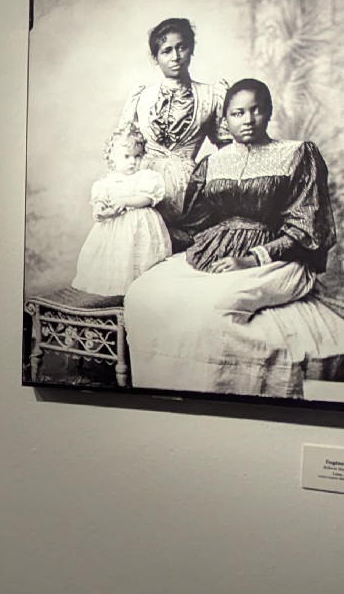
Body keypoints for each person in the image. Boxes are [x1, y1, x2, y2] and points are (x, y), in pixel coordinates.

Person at [124, 78, 344, 396]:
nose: (248, 119)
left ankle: (220, 394)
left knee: (212, 309)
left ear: (269, 112)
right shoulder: (212, 163)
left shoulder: (297, 154)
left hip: (277, 257)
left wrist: (251, 259)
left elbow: (306, 227)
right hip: (212, 251)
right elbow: (195, 226)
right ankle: (169, 396)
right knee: (144, 293)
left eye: (256, 110)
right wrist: (137, 224)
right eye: (238, 113)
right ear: (225, 120)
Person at [111, 16, 229, 219]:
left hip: (189, 190)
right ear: (156, 58)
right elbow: (124, 147)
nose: (175, 57)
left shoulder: (211, 95)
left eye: (181, 47)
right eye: (166, 51)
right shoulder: (141, 97)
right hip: (142, 188)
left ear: (191, 49)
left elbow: (226, 149)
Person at [71, 126, 170, 296]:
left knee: (141, 256)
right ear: (112, 158)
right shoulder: (107, 182)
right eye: (126, 156)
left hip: (141, 224)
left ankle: (140, 291)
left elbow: (147, 198)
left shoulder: (145, 177)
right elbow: (101, 199)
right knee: (117, 256)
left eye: (137, 156)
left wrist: (126, 202)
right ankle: (116, 291)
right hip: (115, 228)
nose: (133, 161)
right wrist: (99, 209)